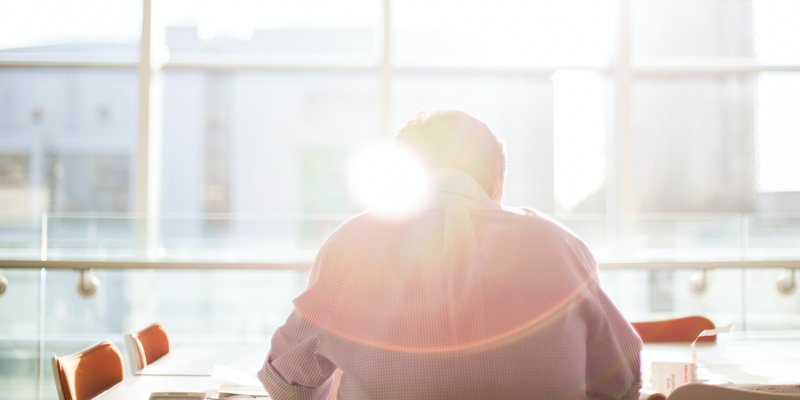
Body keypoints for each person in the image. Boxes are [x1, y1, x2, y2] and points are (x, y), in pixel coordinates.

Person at [258, 110, 642, 399]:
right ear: (498, 185)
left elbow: (286, 382)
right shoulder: (561, 247)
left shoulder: (352, 245)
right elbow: (622, 380)